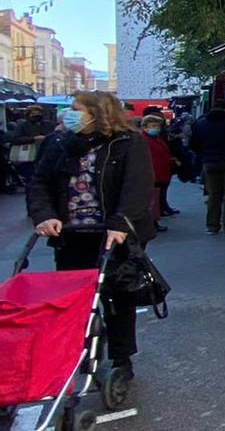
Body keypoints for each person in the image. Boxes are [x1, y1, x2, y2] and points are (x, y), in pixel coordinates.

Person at [26, 91, 156, 378]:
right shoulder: (58, 143)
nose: (68, 114)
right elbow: (39, 183)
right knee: (75, 297)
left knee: (120, 295)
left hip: (115, 233)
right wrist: (45, 215)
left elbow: (137, 185)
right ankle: (81, 349)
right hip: (72, 234)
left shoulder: (127, 142)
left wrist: (121, 222)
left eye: (75, 109)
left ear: (97, 113)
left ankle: (122, 359)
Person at [189, 100, 225, 234]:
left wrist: (205, 154)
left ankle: (212, 226)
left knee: (213, 194)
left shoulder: (200, 123)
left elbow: (193, 145)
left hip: (209, 163)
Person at [11, 105, 57, 188]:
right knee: (31, 179)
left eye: (39, 113)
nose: (37, 115)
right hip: (29, 156)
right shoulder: (22, 125)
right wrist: (33, 138)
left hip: (46, 155)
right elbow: (15, 139)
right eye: (33, 113)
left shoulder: (49, 124)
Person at [141, 115, 173, 233]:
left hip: (161, 174)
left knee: (156, 199)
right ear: (145, 127)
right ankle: (152, 223)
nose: (156, 129)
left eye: (158, 126)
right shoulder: (143, 140)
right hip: (153, 174)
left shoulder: (156, 139)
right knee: (152, 201)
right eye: (153, 126)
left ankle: (154, 221)